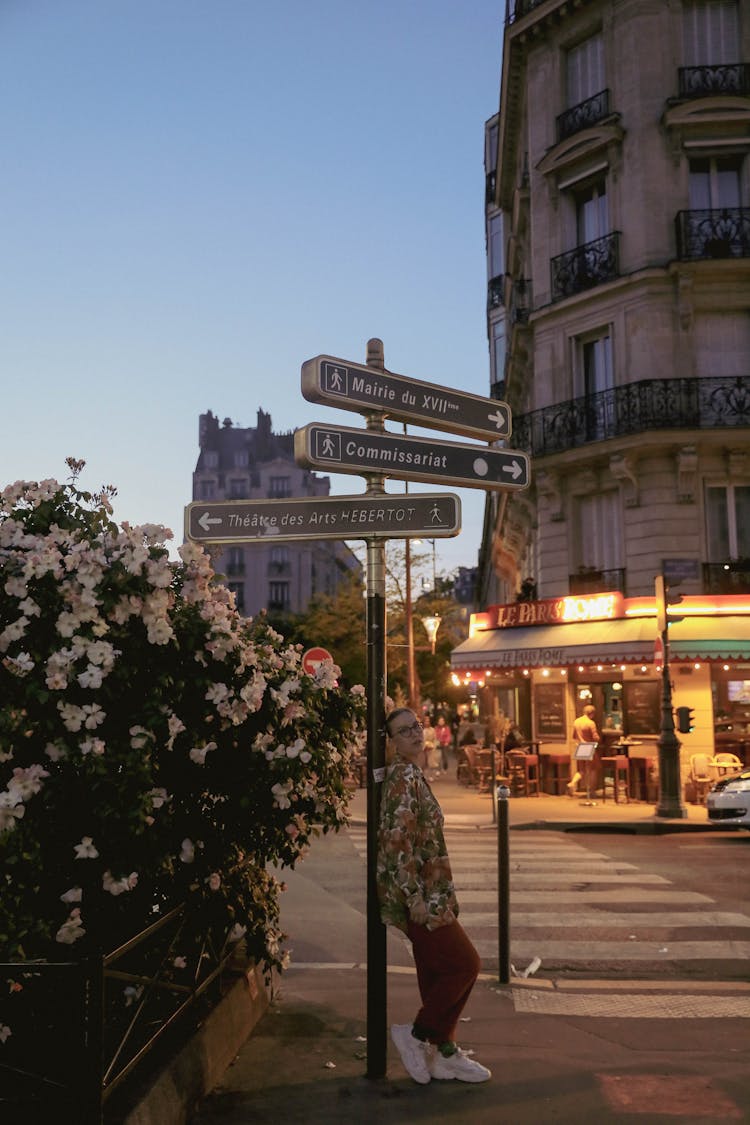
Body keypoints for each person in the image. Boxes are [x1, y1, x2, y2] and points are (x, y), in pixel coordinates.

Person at [376, 708, 491, 1085]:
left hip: (432, 893)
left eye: (415, 727)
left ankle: (444, 1054)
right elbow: (396, 843)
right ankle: (415, 1034)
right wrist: (414, 898)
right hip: (421, 898)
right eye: (402, 731)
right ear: (391, 742)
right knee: (465, 964)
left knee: (437, 972)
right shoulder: (402, 778)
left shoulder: (412, 775)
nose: (413, 734)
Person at [568, 704, 601, 796]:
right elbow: (595, 737)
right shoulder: (590, 723)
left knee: (581, 770)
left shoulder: (576, 721)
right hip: (589, 747)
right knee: (593, 770)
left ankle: (572, 783)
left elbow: (574, 736)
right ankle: (591, 790)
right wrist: (598, 738)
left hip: (580, 747)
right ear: (592, 713)